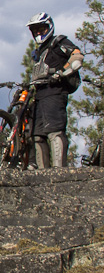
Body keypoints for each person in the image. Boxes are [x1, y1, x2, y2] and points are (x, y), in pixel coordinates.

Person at [26, 11, 83, 168]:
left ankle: (59, 171)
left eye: (41, 29)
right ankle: (42, 175)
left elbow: (77, 56)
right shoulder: (39, 51)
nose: (38, 33)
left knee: (54, 131)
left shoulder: (59, 42)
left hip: (55, 92)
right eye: (35, 30)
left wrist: (62, 72)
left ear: (49, 27)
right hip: (39, 95)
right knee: (37, 135)